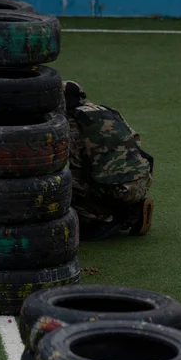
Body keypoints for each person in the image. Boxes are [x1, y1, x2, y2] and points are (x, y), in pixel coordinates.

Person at [62, 81, 155, 241]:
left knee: (60, 186)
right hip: (143, 179)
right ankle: (133, 207)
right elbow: (136, 142)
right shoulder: (108, 111)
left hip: (115, 190)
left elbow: (77, 166)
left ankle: (107, 218)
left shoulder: (71, 122)